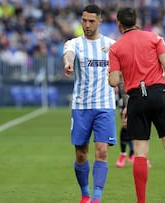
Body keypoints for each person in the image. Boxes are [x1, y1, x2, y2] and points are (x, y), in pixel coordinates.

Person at [108, 7, 165, 203]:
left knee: (140, 153)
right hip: (160, 94)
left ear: (119, 24)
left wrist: (116, 73)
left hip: (137, 99)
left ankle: (141, 202)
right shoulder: (155, 38)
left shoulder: (115, 48)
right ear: (136, 21)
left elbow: (113, 81)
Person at [63, 4, 116, 203]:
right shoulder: (74, 43)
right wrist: (68, 63)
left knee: (101, 151)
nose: (87, 24)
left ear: (100, 21)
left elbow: (120, 74)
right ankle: (85, 193)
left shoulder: (111, 45)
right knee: (81, 154)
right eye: (84, 20)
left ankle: (96, 198)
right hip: (81, 106)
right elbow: (68, 55)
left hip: (105, 105)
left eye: (91, 21)